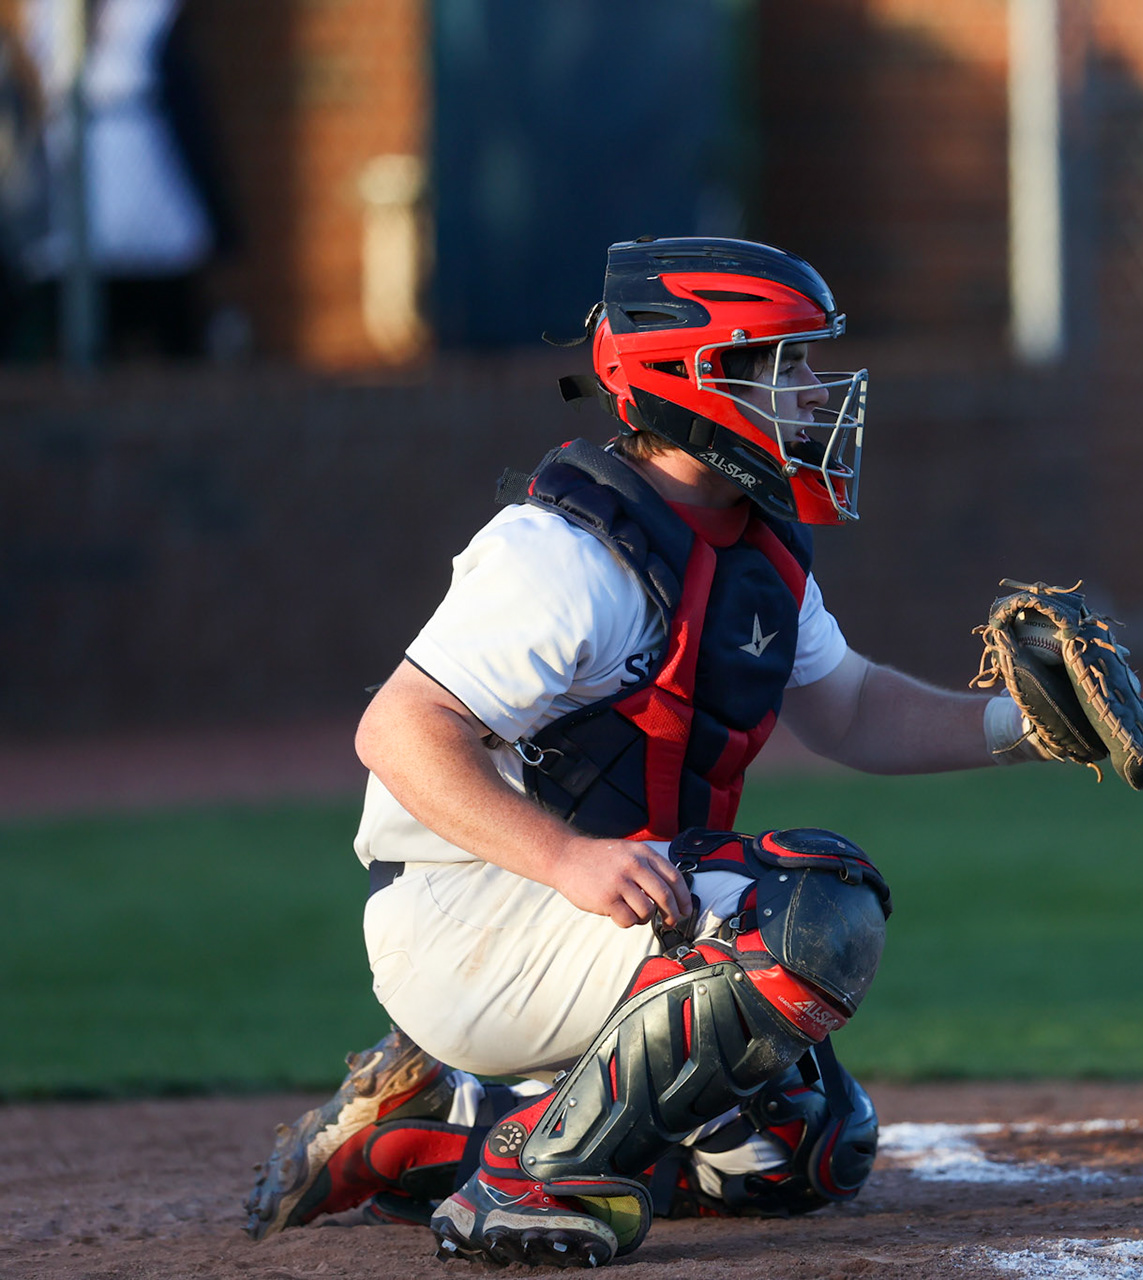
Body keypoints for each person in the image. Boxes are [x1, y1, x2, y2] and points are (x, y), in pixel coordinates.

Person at [243, 237, 1055, 1268]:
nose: (813, 392)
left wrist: (1020, 728)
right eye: (783, 364)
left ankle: (437, 1123)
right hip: (469, 911)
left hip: (595, 912)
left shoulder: (748, 542)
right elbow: (399, 729)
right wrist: (565, 859)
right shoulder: (561, 552)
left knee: (801, 1150)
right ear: (694, 377)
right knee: (810, 913)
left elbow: (849, 707)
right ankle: (523, 1180)